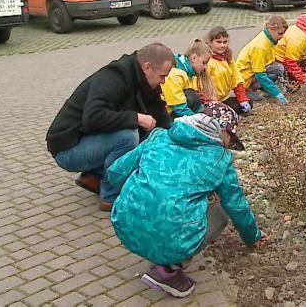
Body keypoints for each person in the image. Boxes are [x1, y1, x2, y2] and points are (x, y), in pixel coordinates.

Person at [108, 102, 267, 297]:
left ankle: (156, 243)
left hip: (123, 223)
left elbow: (115, 172)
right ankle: (168, 270)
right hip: (172, 237)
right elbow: (236, 205)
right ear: (223, 132)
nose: (229, 143)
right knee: (220, 212)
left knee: (170, 202)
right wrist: (253, 236)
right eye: (231, 137)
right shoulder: (220, 157)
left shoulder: (159, 136)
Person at [46, 43, 174, 211]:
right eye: (162, 76)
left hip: (87, 139)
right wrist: (136, 117)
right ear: (147, 67)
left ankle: (94, 176)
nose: (163, 81)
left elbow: (160, 114)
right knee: (129, 136)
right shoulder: (114, 77)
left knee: (151, 136)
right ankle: (110, 196)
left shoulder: (143, 80)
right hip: (67, 148)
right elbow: (93, 118)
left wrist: (175, 133)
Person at [236, 16, 289, 103]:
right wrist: (277, 93)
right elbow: (260, 74)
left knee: (277, 68)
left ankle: (260, 87)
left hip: (252, 73)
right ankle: (248, 90)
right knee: (277, 69)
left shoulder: (269, 39)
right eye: (280, 33)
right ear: (272, 29)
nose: (282, 36)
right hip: (244, 79)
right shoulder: (260, 46)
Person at [161, 39, 217, 118]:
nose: (205, 67)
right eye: (204, 63)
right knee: (191, 95)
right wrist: (196, 119)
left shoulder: (187, 72)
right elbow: (179, 106)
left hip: (173, 110)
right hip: (166, 114)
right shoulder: (176, 75)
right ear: (194, 58)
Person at [205, 26, 253, 114]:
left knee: (248, 102)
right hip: (209, 101)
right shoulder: (206, 60)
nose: (222, 45)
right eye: (218, 42)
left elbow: (236, 79)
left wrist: (242, 99)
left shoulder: (228, 57)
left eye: (225, 42)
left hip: (224, 98)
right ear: (210, 42)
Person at [274, 12, 306, 88]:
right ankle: (284, 83)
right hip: (278, 61)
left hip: (289, 59)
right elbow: (290, 62)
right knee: (295, 85)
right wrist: (304, 79)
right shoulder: (298, 38)